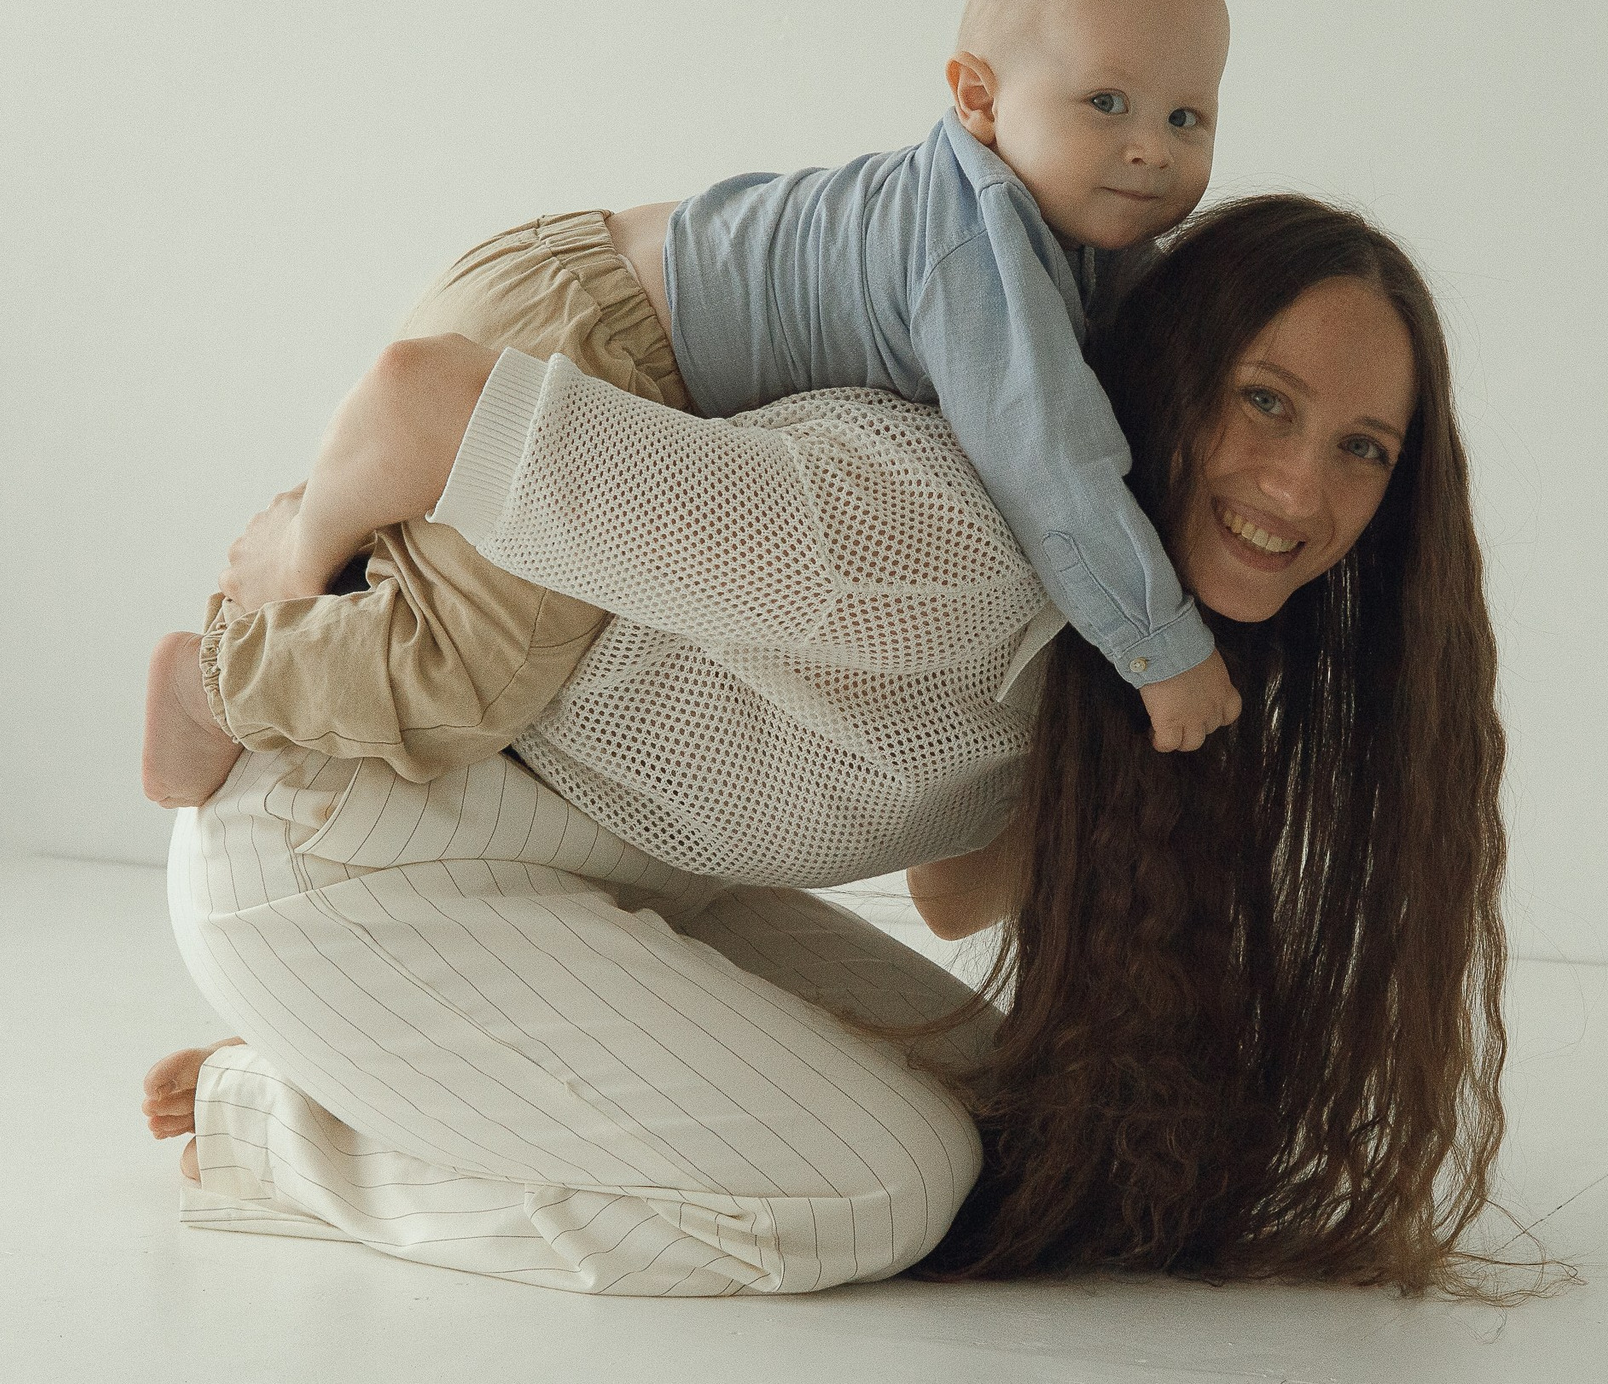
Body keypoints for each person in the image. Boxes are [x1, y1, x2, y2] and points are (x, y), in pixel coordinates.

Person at [139, 196, 1513, 1296]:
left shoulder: (1137, 644)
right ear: (1168, 379)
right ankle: (296, 1121)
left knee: (1008, 1119)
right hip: (347, 840)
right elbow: (434, 397)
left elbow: (951, 885)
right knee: (877, 1189)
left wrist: (1169, 755)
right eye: (1265, 402)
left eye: (1362, 448)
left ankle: (421, 1055)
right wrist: (290, 563)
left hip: (602, 864)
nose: (1300, 485)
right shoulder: (928, 536)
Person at [140, 0, 1239, 820]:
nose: (1153, 147)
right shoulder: (977, 243)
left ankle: (372, 484)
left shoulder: (1049, 239)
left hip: (583, 283)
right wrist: (1160, 647)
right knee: (482, 672)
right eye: (1108, 103)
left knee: (475, 614)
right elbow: (1052, 456)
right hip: (589, 337)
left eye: (1188, 117)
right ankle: (219, 673)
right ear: (977, 98)